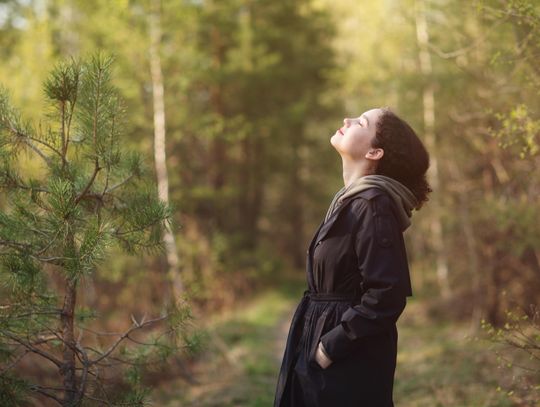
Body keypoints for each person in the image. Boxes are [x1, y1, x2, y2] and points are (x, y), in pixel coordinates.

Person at [273, 107, 432, 407]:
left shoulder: (374, 206)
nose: (346, 120)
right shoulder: (349, 202)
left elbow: (388, 294)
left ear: (375, 151)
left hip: (347, 360)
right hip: (322, 342)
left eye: (361, 122)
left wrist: (331, 347)